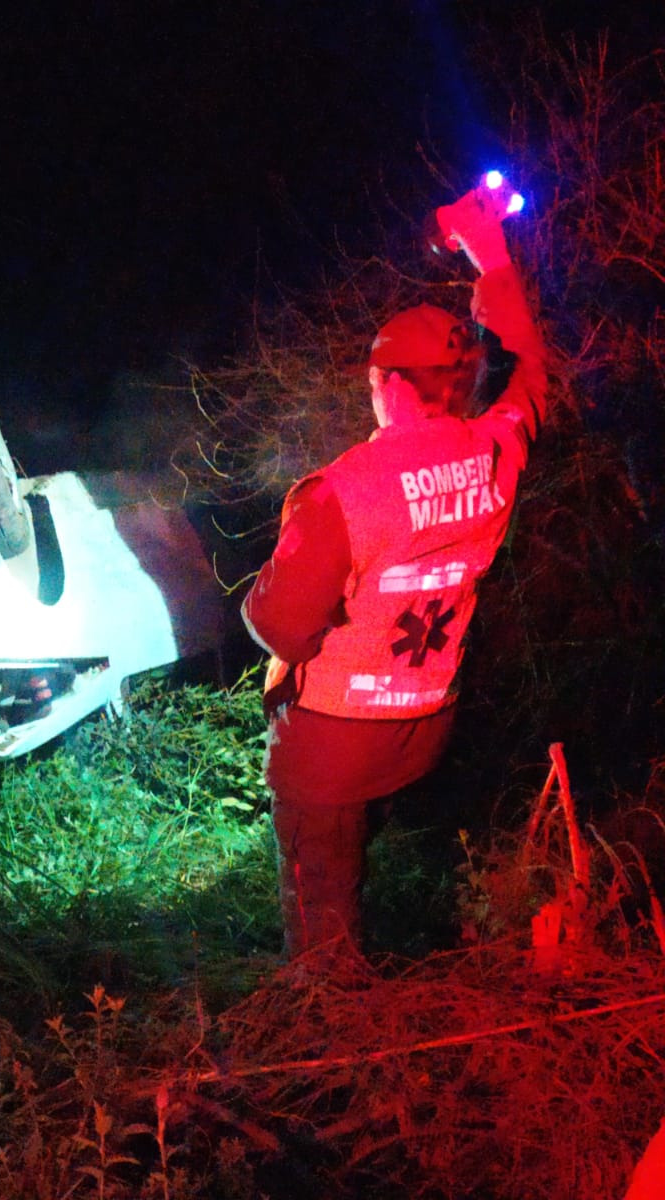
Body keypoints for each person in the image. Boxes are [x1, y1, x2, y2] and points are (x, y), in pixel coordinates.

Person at [241, 179, 548, 958]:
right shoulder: (496, 452)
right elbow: (532, 373)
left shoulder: (342, 491)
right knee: (358, 829)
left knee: (321, 916)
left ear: (391, 386)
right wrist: (491, 255)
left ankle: (332, 1029)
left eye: (374, 379)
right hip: (425, 727)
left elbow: (277, 623)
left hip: (336, 743)